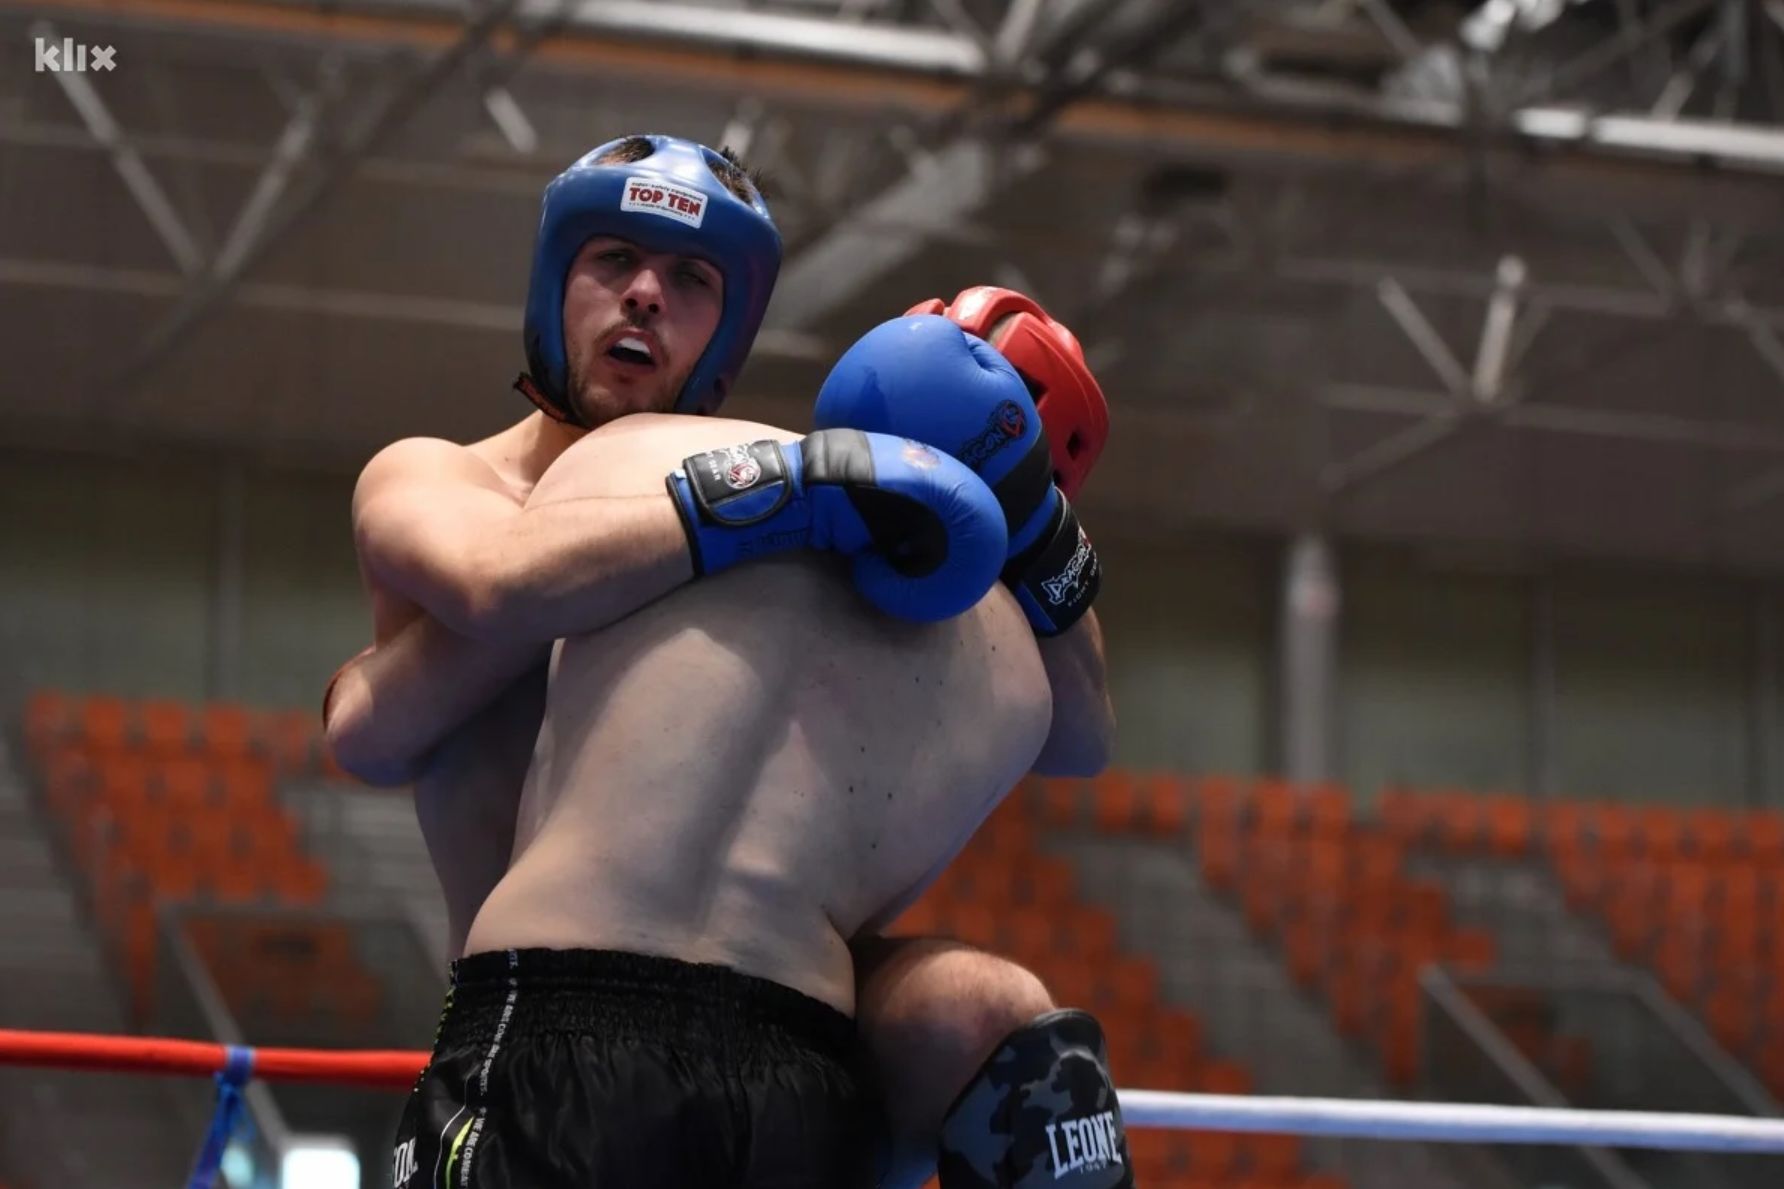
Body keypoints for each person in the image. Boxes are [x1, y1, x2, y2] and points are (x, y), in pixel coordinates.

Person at [323, 134, 1124, 1188]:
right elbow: (409, 684)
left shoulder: (791, 517)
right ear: (554, 282)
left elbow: (1080, 732)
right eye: (616, 259)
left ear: (729, 332)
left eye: (691, 280)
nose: (645, 294)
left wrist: (1027, 513)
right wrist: (779, 494)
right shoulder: (450, 479)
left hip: (768, 1043)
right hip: (536, 1022)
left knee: (989, 1010)